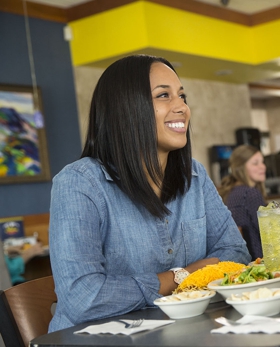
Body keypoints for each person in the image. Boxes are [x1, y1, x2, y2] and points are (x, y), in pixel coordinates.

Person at [48, 55, 251, 332]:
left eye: (182, 96)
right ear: (126, 109)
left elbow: (236, 254)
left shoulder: (195, 175)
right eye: (163, 95)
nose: (182, 107)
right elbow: (84, 298)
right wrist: (182, 276)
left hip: (181, 333)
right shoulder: (79, 183)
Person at [218, 145, 267, 260]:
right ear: (240, 168)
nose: (263, 167)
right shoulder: (250, 194)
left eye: (262, 162)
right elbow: (268, 233)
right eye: (255, 163)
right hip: (258, 261)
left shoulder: (232, 192)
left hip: (240, 261)